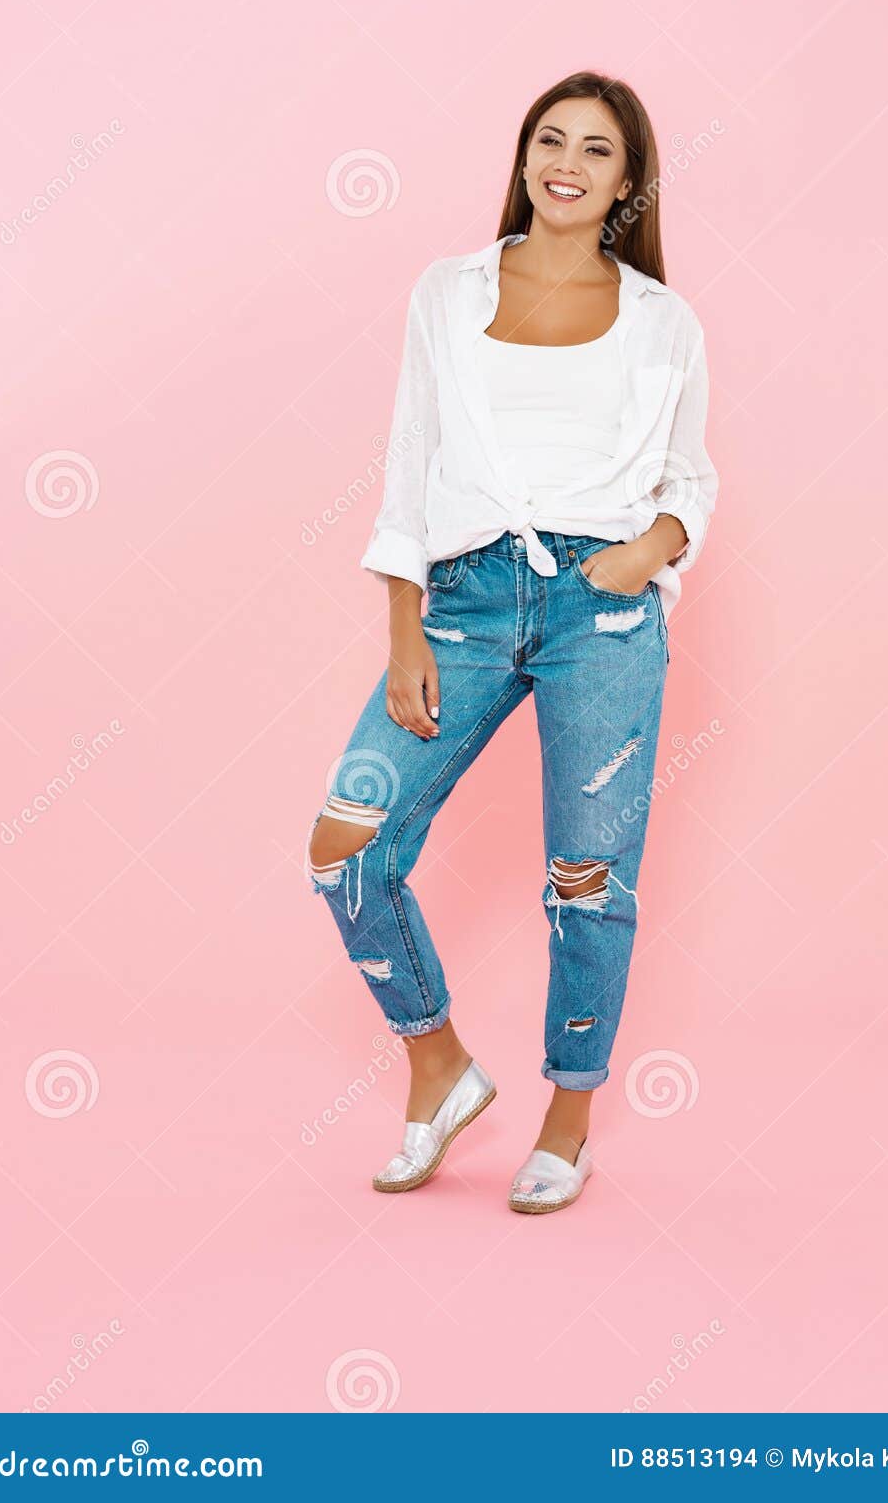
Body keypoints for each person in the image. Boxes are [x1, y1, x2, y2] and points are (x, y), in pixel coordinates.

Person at [305, 70, 719, 1214]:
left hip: (607, 608)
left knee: (586, 881)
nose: (568, 163)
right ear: (523, 154)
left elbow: (690, 476)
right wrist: (405, 624)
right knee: (347, 846)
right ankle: (437, 1068)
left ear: (627, 183)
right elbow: (409, 464)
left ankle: (569, 1117)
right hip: (465, 599)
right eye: (551, 139)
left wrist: (644, 555)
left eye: (596, 150)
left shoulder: (659, 318)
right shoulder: (446, 292)